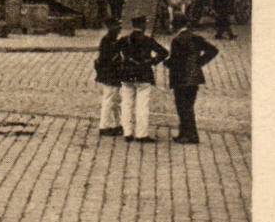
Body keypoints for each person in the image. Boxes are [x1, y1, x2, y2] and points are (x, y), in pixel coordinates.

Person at [164, 17, 217, 144]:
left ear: (175, 26)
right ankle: (184, 133)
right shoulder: (195, 37)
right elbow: (213, 50)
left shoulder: (177, 40)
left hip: (181, 77)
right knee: (188, 106)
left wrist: (167, 63)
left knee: (183, 107)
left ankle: (191, 135)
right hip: (194, 77)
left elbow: (176, 59)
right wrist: (199, 63)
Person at [120, 15, 168, 143]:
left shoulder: (124, 40)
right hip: (143, 74)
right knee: (142, 106)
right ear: (143, 26)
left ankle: (127, 132)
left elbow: (115, 52)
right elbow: (164, 52)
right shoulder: (147, 40)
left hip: (127, 74)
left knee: (126, 104)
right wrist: (152, 61)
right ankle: (141, 134)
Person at [93, 20, 125, 136]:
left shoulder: (109, 40)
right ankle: (104, 126)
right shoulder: (108, 41)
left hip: (111, 74)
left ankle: (117, 124)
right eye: (117, 28)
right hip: (110, 74)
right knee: (109, 99)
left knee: (114, 100)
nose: (119, 30)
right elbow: (109, 59)